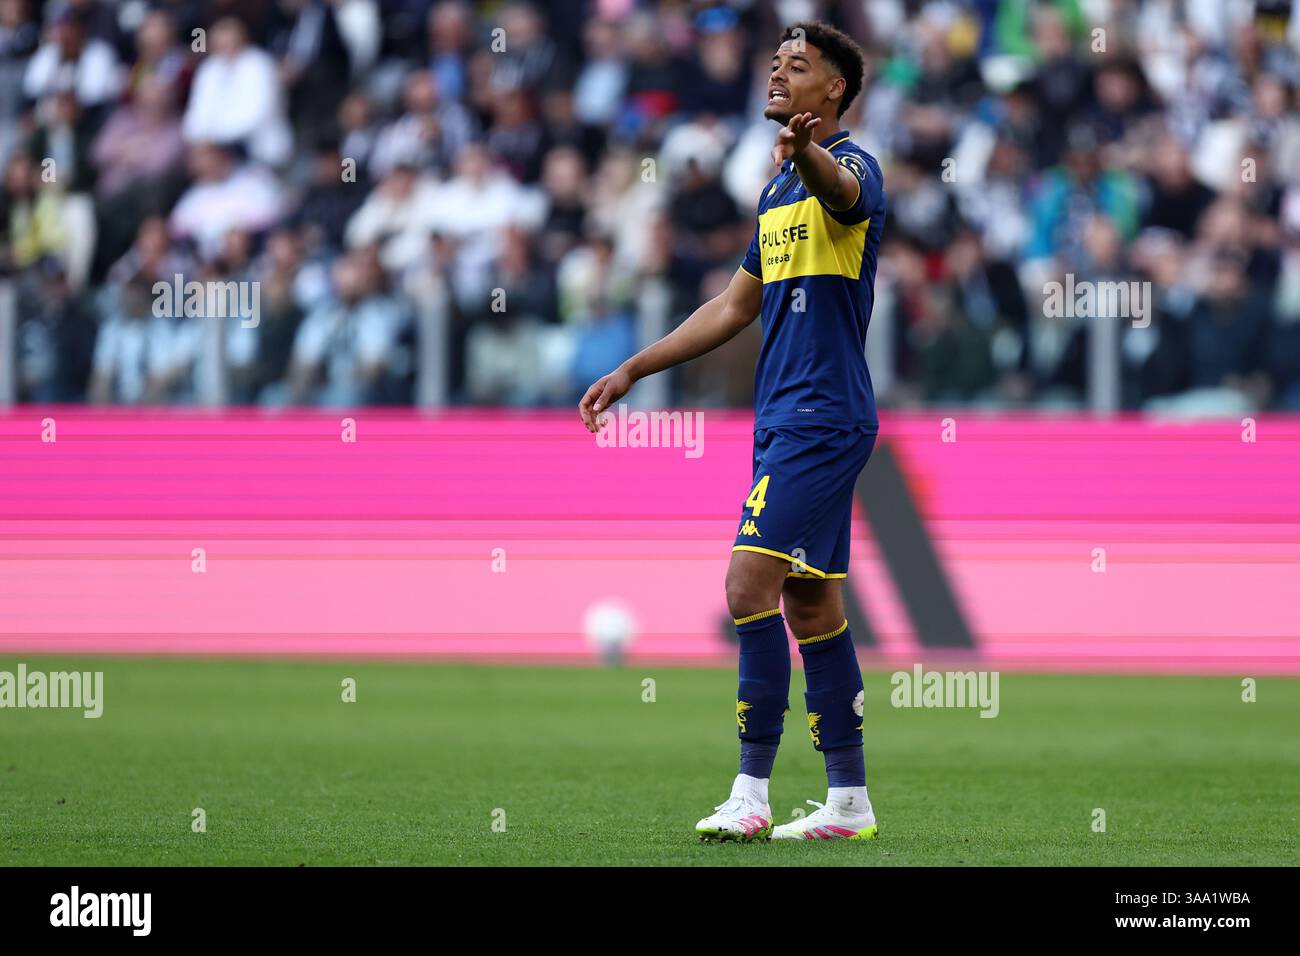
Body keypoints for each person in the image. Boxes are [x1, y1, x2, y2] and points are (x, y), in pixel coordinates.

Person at [578, 21, 885, 843]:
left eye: (801, 68)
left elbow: (843, 193)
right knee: (811, 602)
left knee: (746, 585)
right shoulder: (777, 193)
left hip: (824, 417)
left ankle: (750, 794)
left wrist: (806, 152)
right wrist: (636, 368)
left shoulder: (847, 168)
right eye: (776, 64)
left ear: (835, 93)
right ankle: (849, 802)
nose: (780, 74)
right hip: (782, 417)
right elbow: (732, 306)